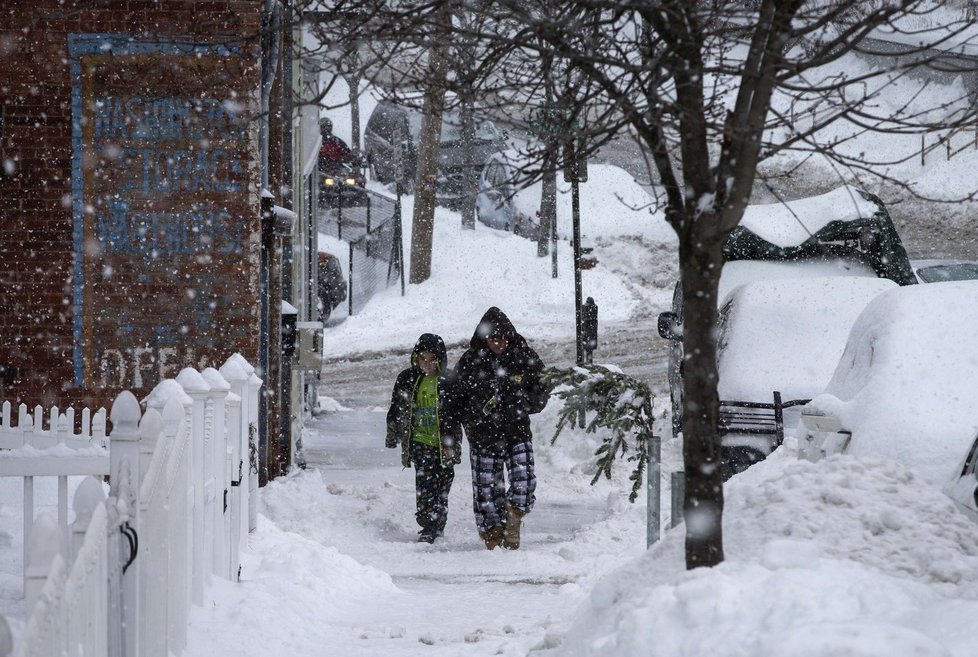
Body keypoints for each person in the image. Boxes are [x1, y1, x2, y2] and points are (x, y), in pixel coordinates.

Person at [449, 307, 549, 550]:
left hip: (517, 433)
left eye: (503, 338)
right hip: (483, 436)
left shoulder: (524, 357)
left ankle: (514, 519)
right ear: (485, 338)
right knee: (486, 490)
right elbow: (454, 397)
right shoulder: (471, 361)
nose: (499, 343)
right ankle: (492, 534)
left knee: (523, 481)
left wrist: (525, 404)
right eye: (494, 338)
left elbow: (543, 386)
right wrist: (471, 419)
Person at [386, 333, 462, 543]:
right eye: (423, 359)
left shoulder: (448, 381)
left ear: (440, 359)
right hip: (420, 441)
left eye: (432, 359)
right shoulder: (408, 379)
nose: (427, 364)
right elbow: (396, 408)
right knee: (426, 483)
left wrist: (451, 443)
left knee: (444, 483)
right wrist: (392, 435)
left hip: (444, 442)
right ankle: (428, 523)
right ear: (415, 358)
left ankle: (438, 522)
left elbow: (456, 415)